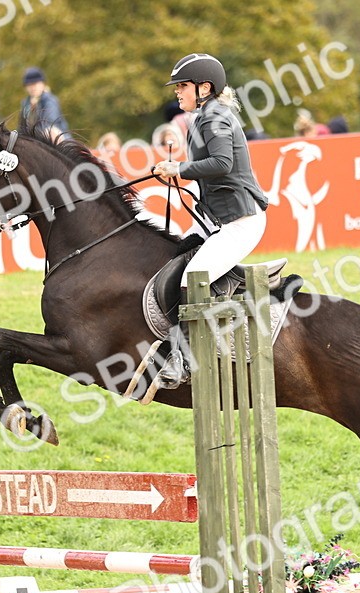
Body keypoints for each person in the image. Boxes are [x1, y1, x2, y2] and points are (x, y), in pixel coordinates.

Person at [153, 53, 270, 385]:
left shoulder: (214, 116)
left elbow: (221, 163)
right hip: (215, 219)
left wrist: (179, 169)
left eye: (182, 86)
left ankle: (185, 362)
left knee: (192, 279)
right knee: (171, 259)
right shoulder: (204, 115)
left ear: (205, 87)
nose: (177, 92)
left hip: (239, 221)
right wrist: (177, 173)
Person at [20, 67, 71, 141]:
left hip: (58, 140)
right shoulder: (25, 104)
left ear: (42, 84)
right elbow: (22, 128)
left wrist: (35, 109)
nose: (32, 88)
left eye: (35, 84)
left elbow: (49, 123)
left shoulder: (50, 100)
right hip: (35, 141)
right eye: (29, 85)